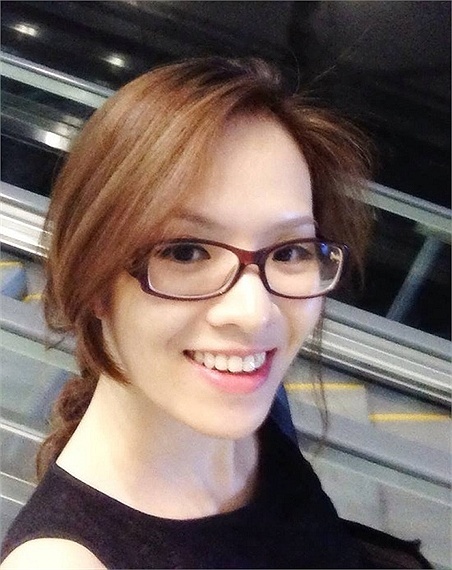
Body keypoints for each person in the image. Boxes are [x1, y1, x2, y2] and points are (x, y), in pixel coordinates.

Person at [1, 57, 431, 569]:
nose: (254, 313)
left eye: (290, 250)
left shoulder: (253, 409)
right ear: (91, 275)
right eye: (186, 252)